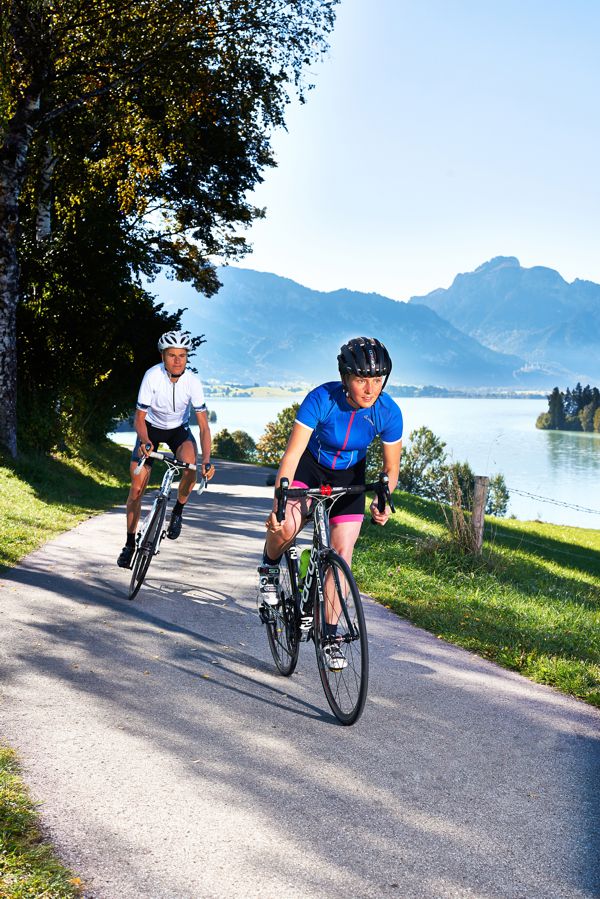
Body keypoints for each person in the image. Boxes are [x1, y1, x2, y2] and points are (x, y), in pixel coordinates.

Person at [258, 336, 403, 669]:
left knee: (343, 553)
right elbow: (292, 454)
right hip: (309, 469)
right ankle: (268, 566)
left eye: (377, 380)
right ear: (345, 377)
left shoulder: (388, 412)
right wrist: (279, 504)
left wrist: (384, 501)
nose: (370, 388)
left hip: (350, 476)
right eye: (361, 379)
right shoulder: (320, 399)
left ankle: (332, 636)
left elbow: (390, 469)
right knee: (289, 525)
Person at [117, 330, 214, 568]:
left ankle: (178, 511)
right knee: (137, 487)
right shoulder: (152, 376)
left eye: (182, 355)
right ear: (163, 356)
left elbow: (203, 426)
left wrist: (207, 460)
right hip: (150, 429)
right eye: (172, 355)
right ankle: (130, 544)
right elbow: (139, 418)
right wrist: (144, 441)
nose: (178, 360)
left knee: (190, 466)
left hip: (178, 431)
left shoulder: (192, 381)